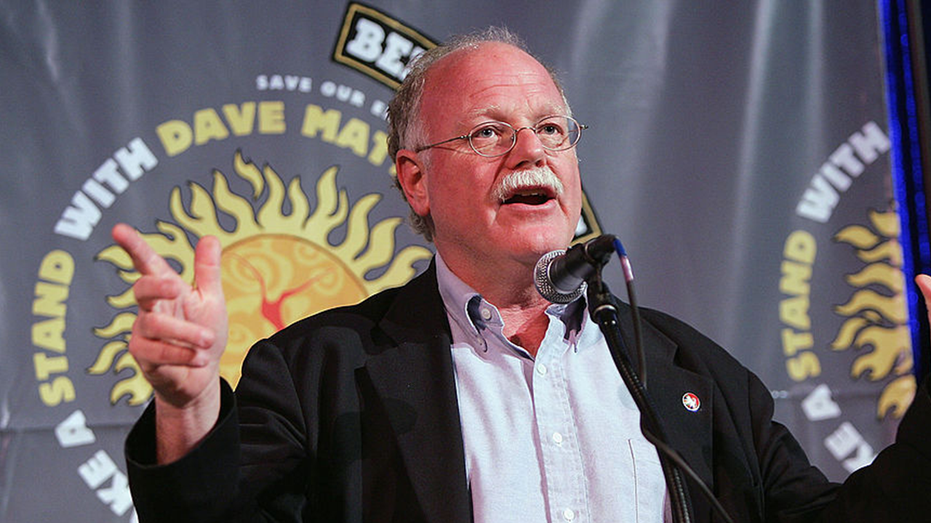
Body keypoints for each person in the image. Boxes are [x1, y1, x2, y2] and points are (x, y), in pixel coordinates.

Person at [116, 28, 931, 522]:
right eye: (486, 132)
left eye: (551, 129)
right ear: (414, 180)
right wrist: (188, 406)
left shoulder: (695, 375)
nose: (530, 150)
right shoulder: (316, 370)